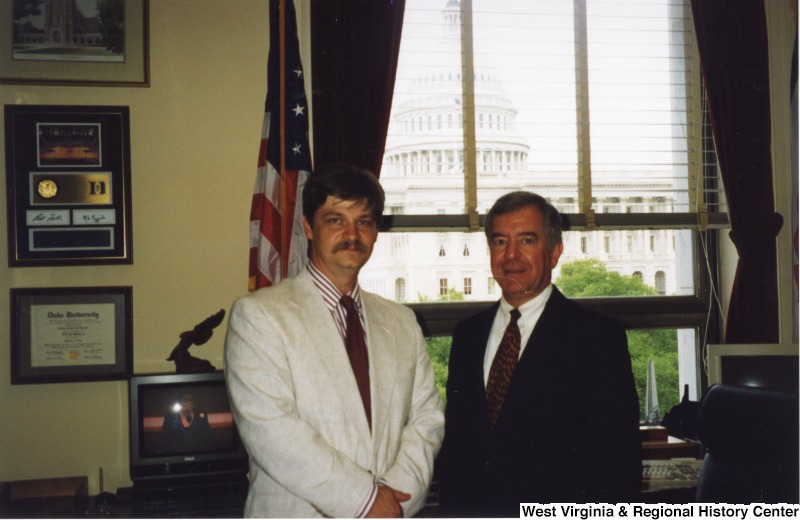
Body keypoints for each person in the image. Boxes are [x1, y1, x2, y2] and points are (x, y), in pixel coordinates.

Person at [224, 164, 445, 518]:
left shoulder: (402, 322)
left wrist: (396, 501)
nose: (352, 234)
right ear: (309, 227)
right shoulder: (259, 316)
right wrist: (366, 501)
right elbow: (272, 431)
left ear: (376, 233)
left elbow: (427, 420)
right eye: (335, 220)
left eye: (364, 221)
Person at [438, 191, 642, 516]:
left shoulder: (596, 337)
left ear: (555, 252)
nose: (511, 256)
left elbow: (618, 463)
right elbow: (458, 452)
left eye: (527, 241)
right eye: (500, 242)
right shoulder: (468, 335)